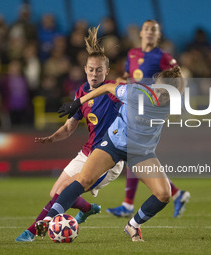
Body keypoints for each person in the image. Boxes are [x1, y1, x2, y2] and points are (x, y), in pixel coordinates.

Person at [37, 66, 185, 242]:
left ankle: (133, 225)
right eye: (159, 89)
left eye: (167, 92)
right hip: (114, 143)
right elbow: (107, 87)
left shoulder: (175, 103)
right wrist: (78, 102)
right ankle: (47, 220)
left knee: (164, 194)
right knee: (84, 180)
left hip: (141, 152)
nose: (160, 95)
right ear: (155, 84)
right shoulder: (135, 92)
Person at [15, 26, 124, 242]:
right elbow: (69, 127)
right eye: (91, 69)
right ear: (85, 69)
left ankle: (33, 231)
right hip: (87, 152)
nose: (94, 74)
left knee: (66, 189)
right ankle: (87, 208)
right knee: (55, 192)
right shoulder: (81, 92)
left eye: (99, 70)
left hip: (108, 159)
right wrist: (53, 137)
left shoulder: (113, 90)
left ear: (107, 72)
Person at [110, 20, 190, 218]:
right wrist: (122, 82)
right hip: (134, 106)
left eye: (153, 30)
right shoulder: (132, 54)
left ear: (158, 35)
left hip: (151, 110)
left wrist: (174, 103)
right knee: (135, 155)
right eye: (147, 29)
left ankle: (129, 204)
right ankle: (176, 194)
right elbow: (129, 76)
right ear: (141, 33)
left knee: (135, 154)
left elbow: (179, 80)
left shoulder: (164, 57)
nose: (149, 33)